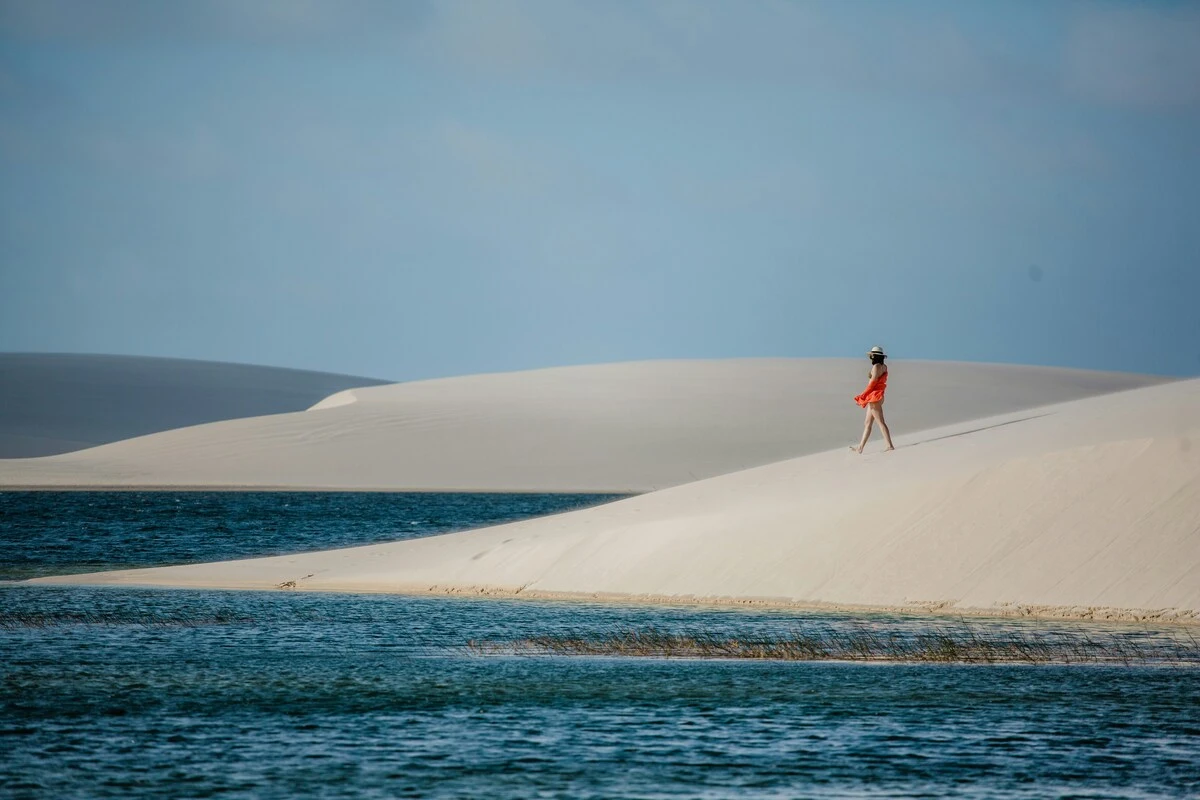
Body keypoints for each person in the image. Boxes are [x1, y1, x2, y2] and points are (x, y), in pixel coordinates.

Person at [852, 346, 894, 454]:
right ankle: (860, 448)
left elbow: (872, 383)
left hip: (874, 397)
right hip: (877, 396)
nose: (870, 357)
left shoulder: (876, 367)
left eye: (871, 355)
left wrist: (863, 394)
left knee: (880, 422)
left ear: (874, 356)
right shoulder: (884, 366)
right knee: (867, 423)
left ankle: (889, 445)